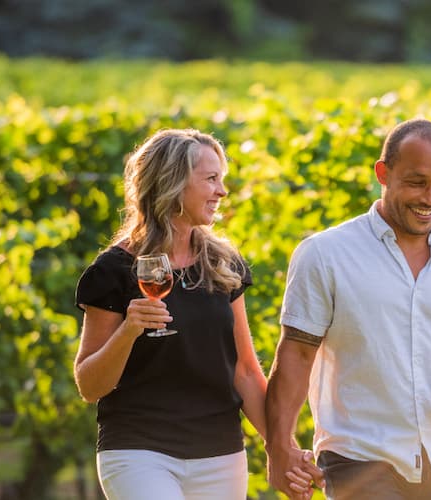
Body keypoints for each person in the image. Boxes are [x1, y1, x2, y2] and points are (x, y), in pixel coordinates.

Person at [265, 118, 431, 499]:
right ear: (383, 174)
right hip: (358, 457)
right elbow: (296, 353)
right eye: (416, 182)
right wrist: (279, 446)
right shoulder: (325, 254)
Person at [73, 128, 315, 499]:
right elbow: (89, 385)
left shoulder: (221, 264)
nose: (222, 191)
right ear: (174, 183)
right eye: (211, 179)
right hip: (139, 451)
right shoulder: (113, 271)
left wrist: (282, 447)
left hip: (219, 454)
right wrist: (128, 331)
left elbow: (246, 371)